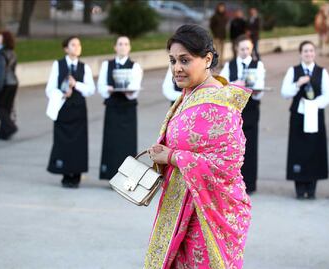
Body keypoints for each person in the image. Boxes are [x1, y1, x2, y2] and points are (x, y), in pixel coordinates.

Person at [144, 24, 251, 269]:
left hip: (206, 214)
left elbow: (229, 164)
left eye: (185, 60)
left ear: (207, 59)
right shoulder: (190, 93)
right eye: (172, 60)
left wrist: (173, 157)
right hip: (181, 204)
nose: (177, 68)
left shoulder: (219, 103)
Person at [281, 41, 329, 199]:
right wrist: (298, 84)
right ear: (300, 53)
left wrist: (314, 104)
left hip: (315, 116)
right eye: (305, 51)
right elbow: (285, 93)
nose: (308, 54)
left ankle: (311, 188)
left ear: (314, 53)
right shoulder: (293, 71)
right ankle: (299, 186)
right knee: (298, 150)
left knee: (314, 150)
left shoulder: (321, 72)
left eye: (311, 51)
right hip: (298, 116)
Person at [45, 36, 95, 188]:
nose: (77, 47)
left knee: (79, 144)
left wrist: (76, 84)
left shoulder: (84, 67)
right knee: (63, 142)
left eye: (79, 44)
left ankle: (77, 174)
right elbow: (49, 89)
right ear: (66, 48)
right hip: (63, 110)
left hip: (78, 111)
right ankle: (66, 174)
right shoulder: (57, 65)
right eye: (73, 45)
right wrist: (61, 93)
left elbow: (91, 89)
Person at [220, 34, 265, 194]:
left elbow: (260, 88)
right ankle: (232, 183)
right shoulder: (229, 65)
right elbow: (221, 87)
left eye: (248, 48)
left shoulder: (257, 65)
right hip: (233, 111)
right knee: (232, 146)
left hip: (251, 109)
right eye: (242, 49)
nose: (245, 52)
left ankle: (250, 184)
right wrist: (234, 85)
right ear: (236, 49)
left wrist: (255, 89)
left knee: (250, 146)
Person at [97, 36, 143, 180]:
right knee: (111, 142)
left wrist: (129, 91)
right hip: (112, 107)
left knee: (127, 143)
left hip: (128, 108)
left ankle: (126, 177)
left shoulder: (135, 66)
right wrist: (108, 89)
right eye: (120, 44)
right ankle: (110, 174)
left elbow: (135, 87)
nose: (123, 46)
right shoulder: (107, 65)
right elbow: (101, 86)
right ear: (115, 47)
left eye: (126, 44)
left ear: (129, 48)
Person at [0, 30, 19, 140]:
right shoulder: (12, 52)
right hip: (14, 83)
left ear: (4, 40)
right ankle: (3, 134)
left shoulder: (0, 54)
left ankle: (10, 127)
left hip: (5, 83)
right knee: (7, 108)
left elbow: (1, 72)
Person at [209, 2, 228, 67]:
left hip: (223, 35)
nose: (221, 9)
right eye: (220, 7)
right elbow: (211, 25)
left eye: (223, 7)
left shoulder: (225, 16)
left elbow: (225, 24)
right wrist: (215, 32)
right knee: (217, 51)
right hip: (216, 36)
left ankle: (221, 63)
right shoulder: (215, 16)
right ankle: (216, 63)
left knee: (222, 50)